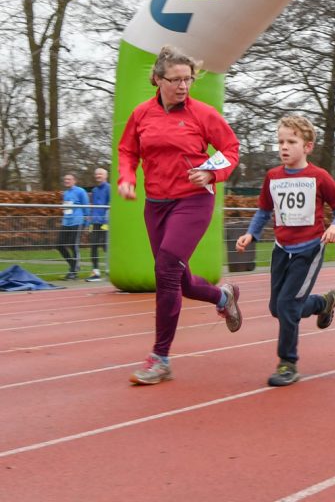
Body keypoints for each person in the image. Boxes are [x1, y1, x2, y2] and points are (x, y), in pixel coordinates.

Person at [117, 45, 243, 385]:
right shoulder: (142, 114)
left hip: (193, 200)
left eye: (188, 79)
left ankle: (160, 357)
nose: (183, 86)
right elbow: (128, 150)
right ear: (157, 79)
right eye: (176, 80)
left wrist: (211, 173)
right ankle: (222, 296)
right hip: (156, 204)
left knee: (166, 269)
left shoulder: (203, 114)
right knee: (180, 279)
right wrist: (127, 178)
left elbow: (230, 149)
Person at [234, 115, 335, 387]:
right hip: (281, 249)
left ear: (307, 146)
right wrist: (251, 233)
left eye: (291, 142)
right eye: (280, 142)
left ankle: (288, 363)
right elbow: (263, 211)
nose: (284, 147)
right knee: (277, 307)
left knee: (287, 305)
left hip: (309, 250)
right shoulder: (272, 177)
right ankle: (323, 303)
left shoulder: (319, 176)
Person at [57, 173, 89, 280]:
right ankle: (73, 265)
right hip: (66, 222)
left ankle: (73, 272)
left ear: (74, 181)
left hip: (77, 221)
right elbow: (66, 207)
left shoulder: (80, 191)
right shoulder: (65, 193)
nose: (67, 181)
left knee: (73, 245)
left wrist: (87, 223)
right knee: (59, 245)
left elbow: (86, 207)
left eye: (69, 179)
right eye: (65, 179)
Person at [87, 167, 110, 281]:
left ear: (106, 176)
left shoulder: (109, 188)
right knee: (94, 246)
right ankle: (95, 272)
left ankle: (110, 269)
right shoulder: (95, 190)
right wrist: (89, 222)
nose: (98, 176)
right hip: (95, 221)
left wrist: (107, 222)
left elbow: (110, 204)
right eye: (97, 174)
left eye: (100, 174)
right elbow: (93, 206)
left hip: (105, 222)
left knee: (106, 246)